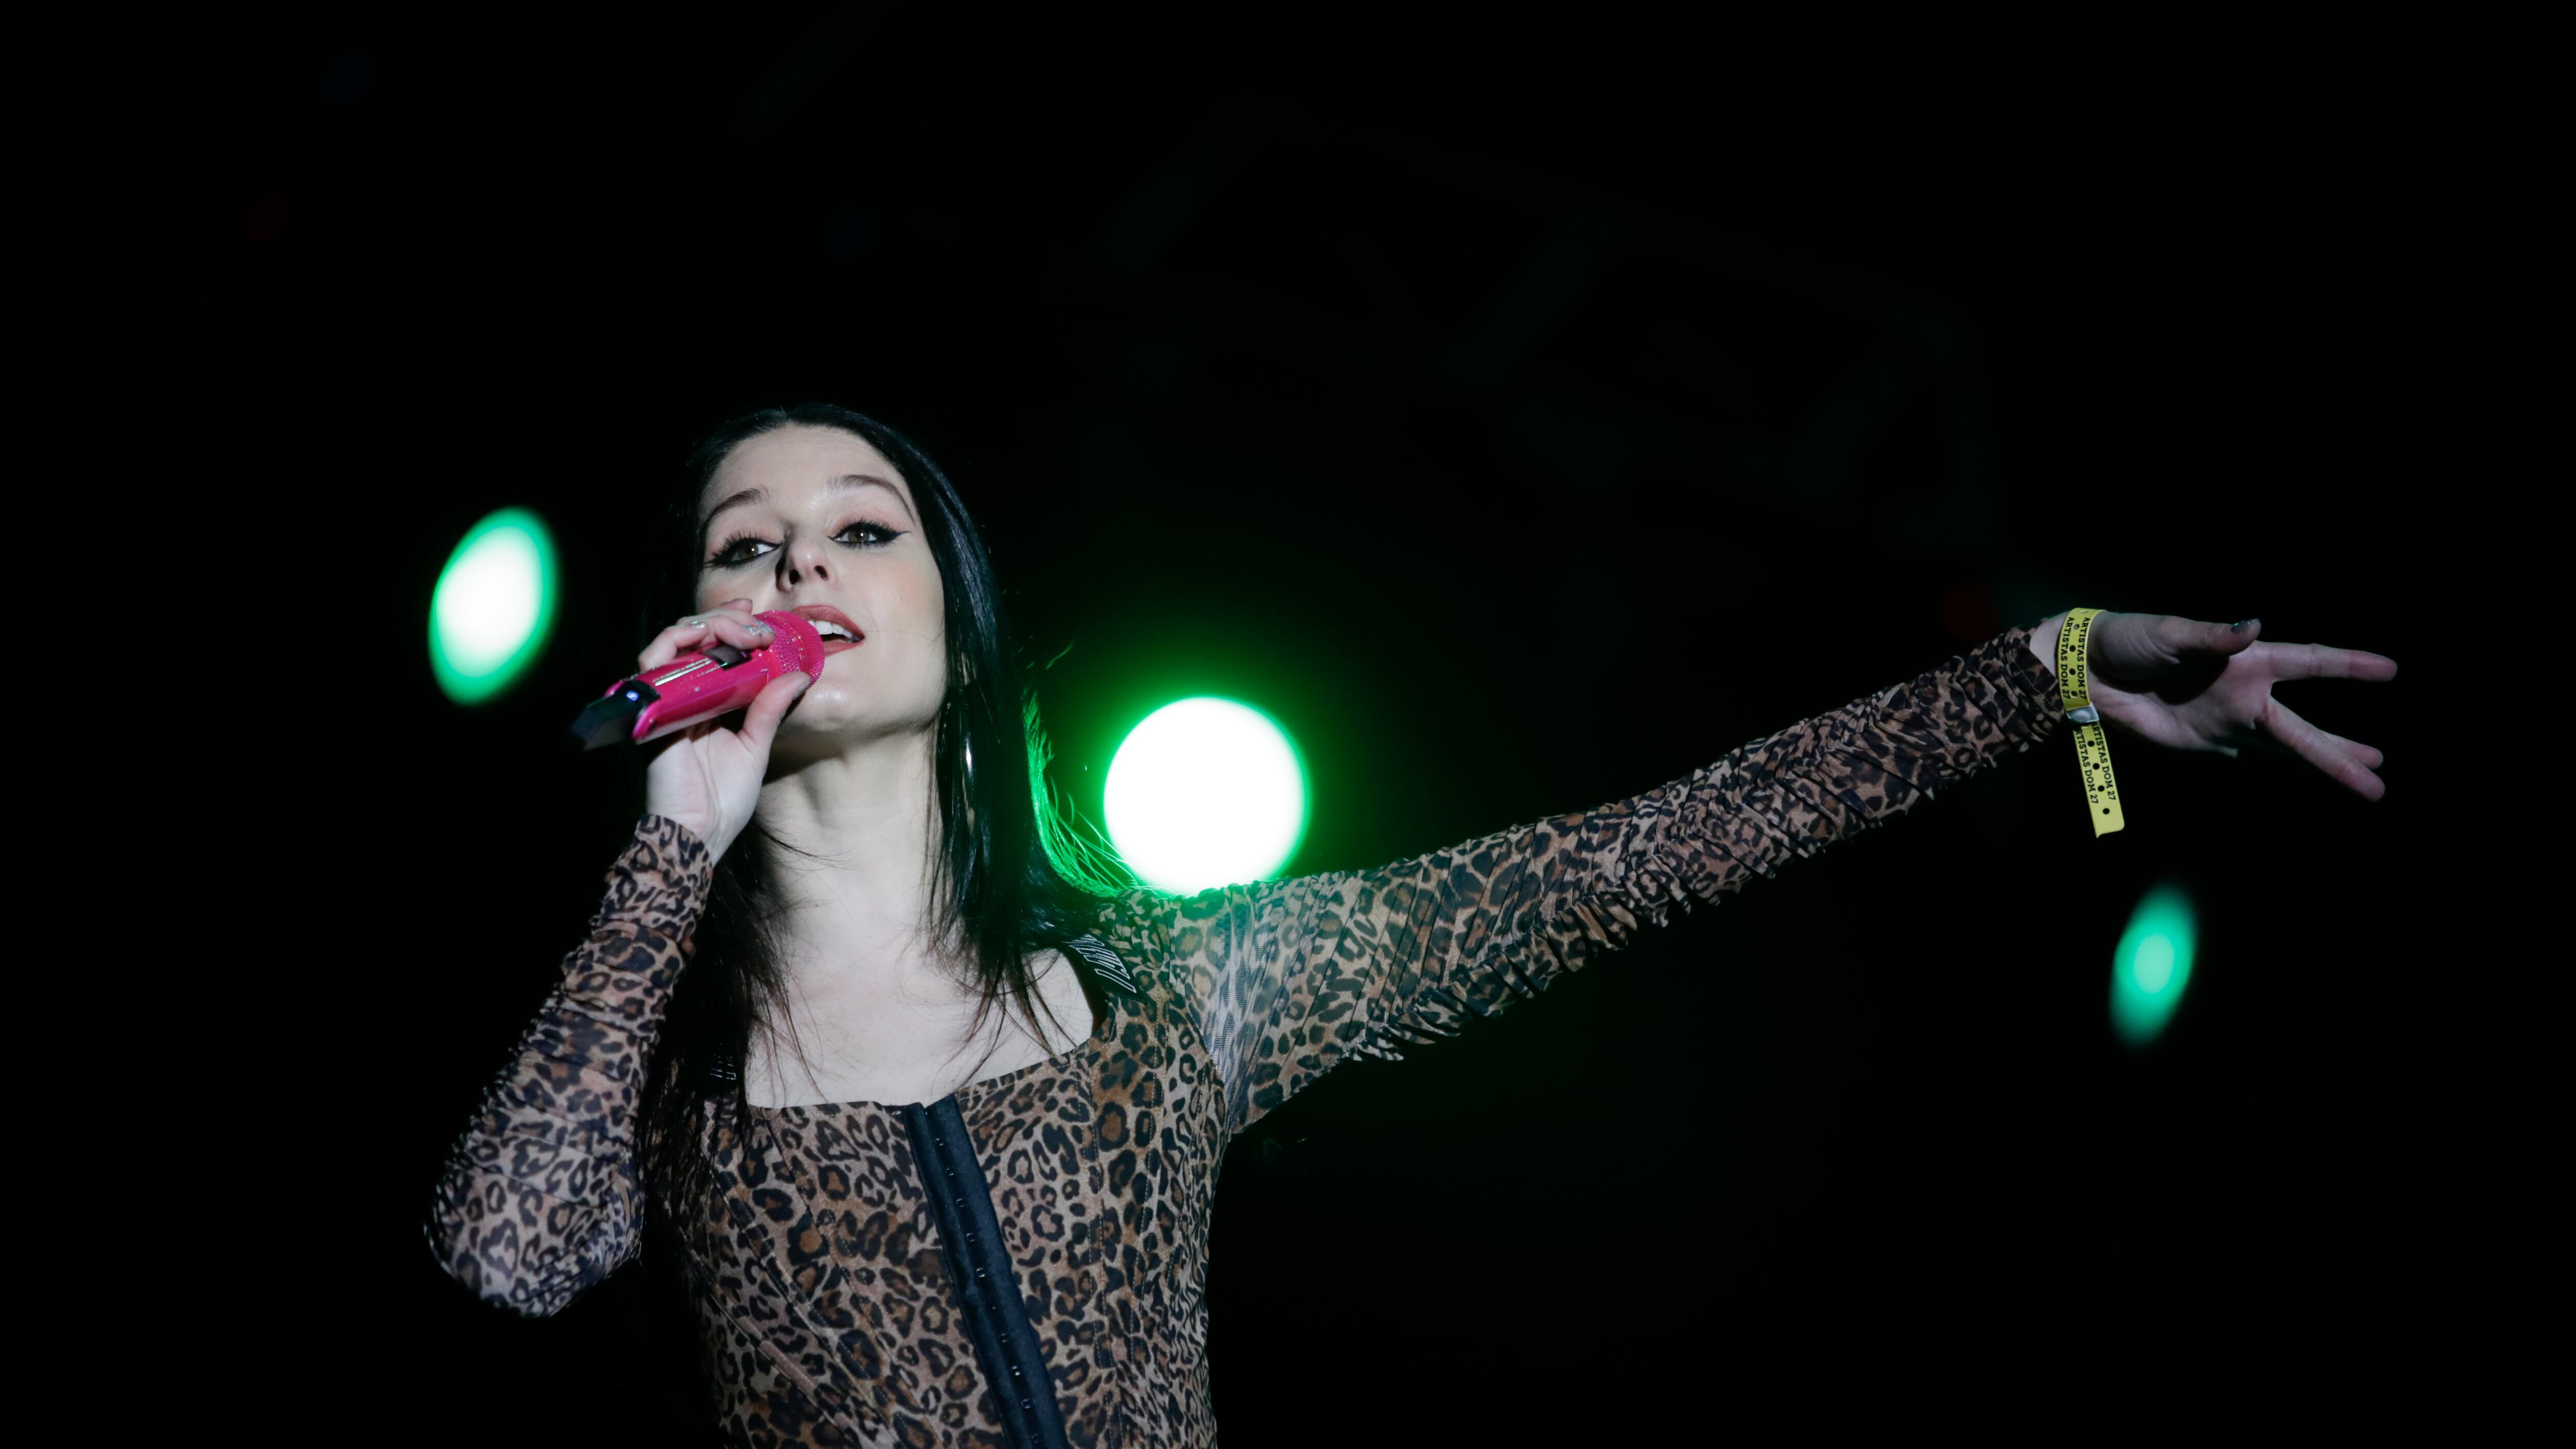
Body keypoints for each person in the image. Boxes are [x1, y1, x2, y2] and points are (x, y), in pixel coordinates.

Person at [429, 403, 2396, 1447]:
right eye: (744, 542)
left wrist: (2044, 676)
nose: (797, 563)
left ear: (953, 603)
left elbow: (1644, 851)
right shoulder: (664, 1062)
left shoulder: (1162, 990)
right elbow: (508, 1260)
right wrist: (670, 847)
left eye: (861, 527)